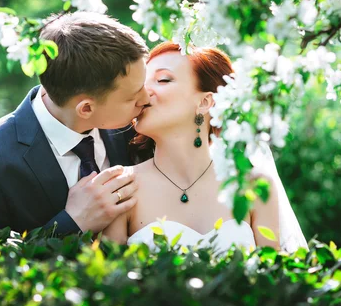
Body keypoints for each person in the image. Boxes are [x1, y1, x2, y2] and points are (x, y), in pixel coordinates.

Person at [0, 12, 150, 235]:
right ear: (86, 108)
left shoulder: (140, 128)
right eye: (132, 96)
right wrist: (72, 223)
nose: (147, 99)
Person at [103, 41, 307, 253]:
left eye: (163, 79)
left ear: (205, 102)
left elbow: (273, 277)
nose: (144, 93)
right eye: (143, 83)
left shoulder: (252, 186)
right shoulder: (121, 189)